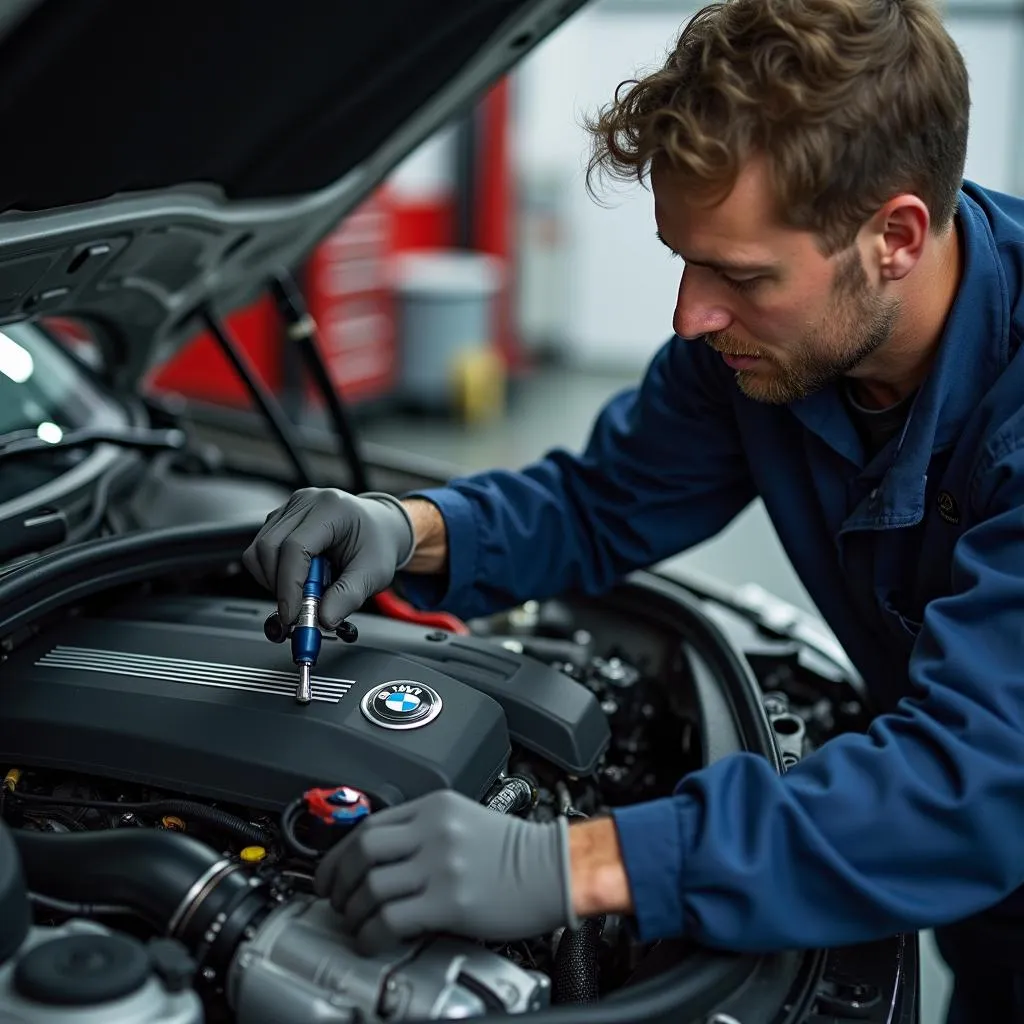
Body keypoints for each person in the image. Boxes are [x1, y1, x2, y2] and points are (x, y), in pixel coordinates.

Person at [243, 0, 1024, 1019]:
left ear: (895, 237)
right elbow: (603, 497)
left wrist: (574, 864)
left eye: (742, 276)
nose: (690, 316)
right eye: (684, 260)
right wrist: (406, 527)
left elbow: (974, 778)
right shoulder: (754, 350)